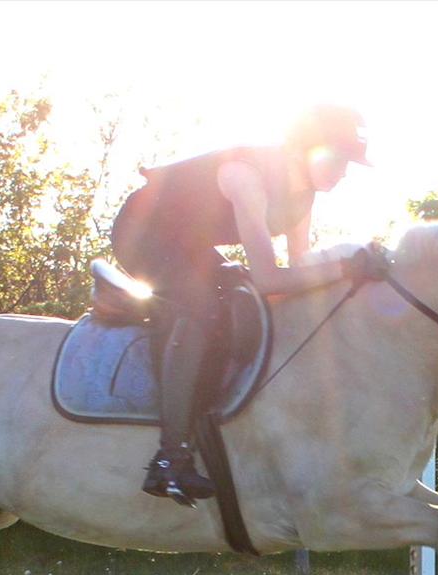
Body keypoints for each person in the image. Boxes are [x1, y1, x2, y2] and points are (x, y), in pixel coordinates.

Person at [111, 104, 379, 505]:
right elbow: (271, 277)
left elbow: (295, 278)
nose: (343, 173)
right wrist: (344, 269)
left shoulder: (303, 197)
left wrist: (344, 287)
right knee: (201, 307)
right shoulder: (246, 176)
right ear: (306, 149)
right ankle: (169, 458)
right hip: (143, 233)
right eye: (338, 159)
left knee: (239, 298)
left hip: (188, 244)